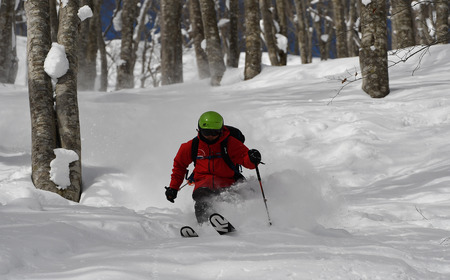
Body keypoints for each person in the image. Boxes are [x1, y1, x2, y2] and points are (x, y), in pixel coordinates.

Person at [165, 111, 261, 224]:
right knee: (202, 202)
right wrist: (173, 188)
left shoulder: (230, 143)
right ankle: (205, 227)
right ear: (199, 130)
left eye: (214, 132)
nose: (210, 136)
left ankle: (240, 223)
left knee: (234, 199)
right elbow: (179, 166)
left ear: (221, 131)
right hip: (203, 184)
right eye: (206, 132)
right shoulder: (192, 146)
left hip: (228, 182)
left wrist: (252, 158)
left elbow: (246, 160)